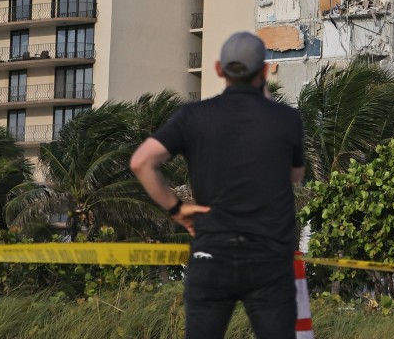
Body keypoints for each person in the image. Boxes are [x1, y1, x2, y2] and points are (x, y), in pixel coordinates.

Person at [130, 31, 305, 339]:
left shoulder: (194, 116)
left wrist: (177, 209)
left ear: (218, 70)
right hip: (269, 260)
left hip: (211, 254)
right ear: (264, 71)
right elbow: (294, 176)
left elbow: (141, 162)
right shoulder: (287, 119)